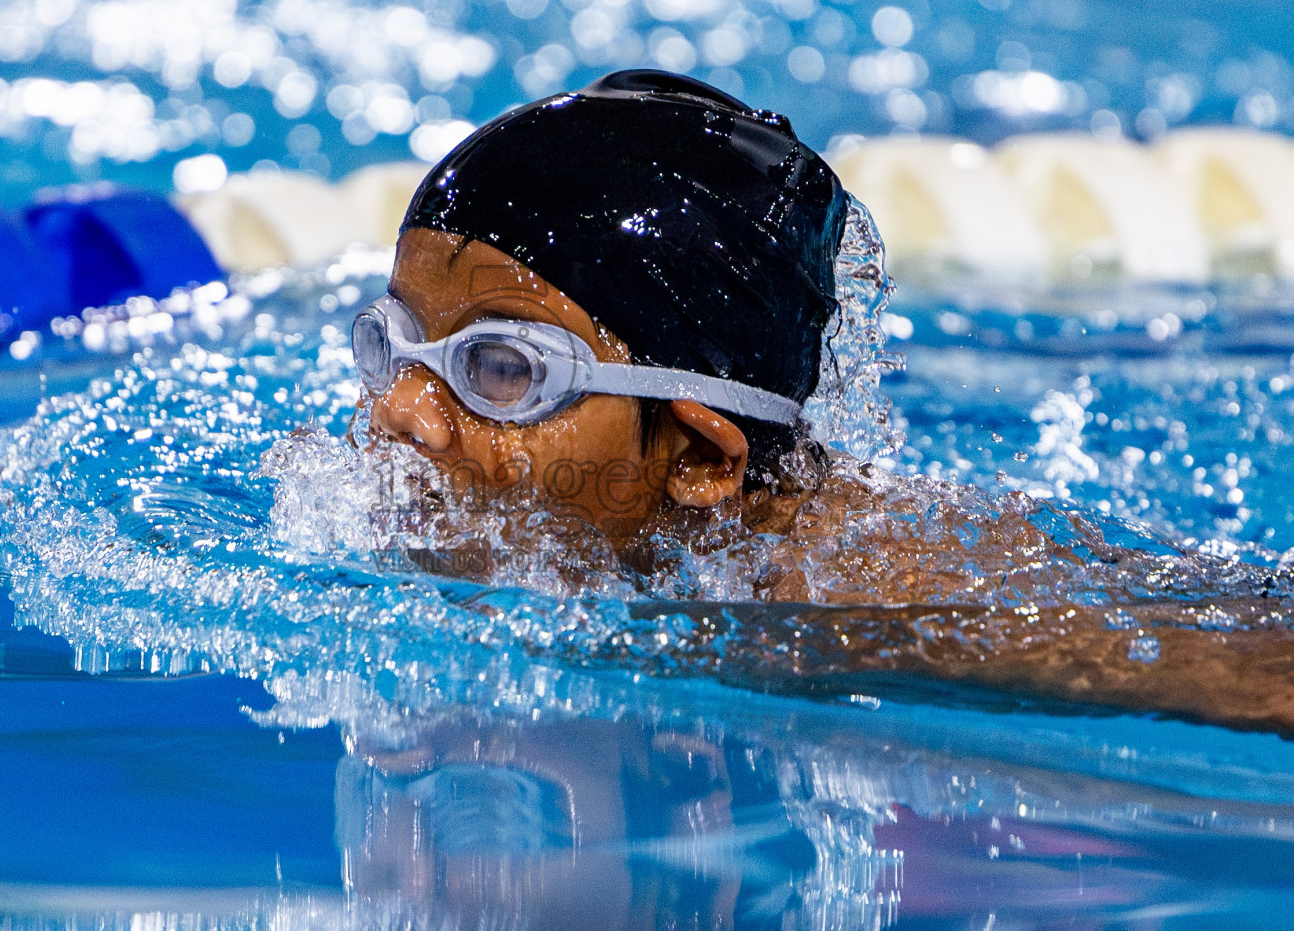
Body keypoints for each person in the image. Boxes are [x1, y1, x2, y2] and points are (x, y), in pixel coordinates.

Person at [350, 69, 1294, 732]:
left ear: (701, 458)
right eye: (390, 344)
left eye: (502, 371)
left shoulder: (867, 604)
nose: (401, 411)